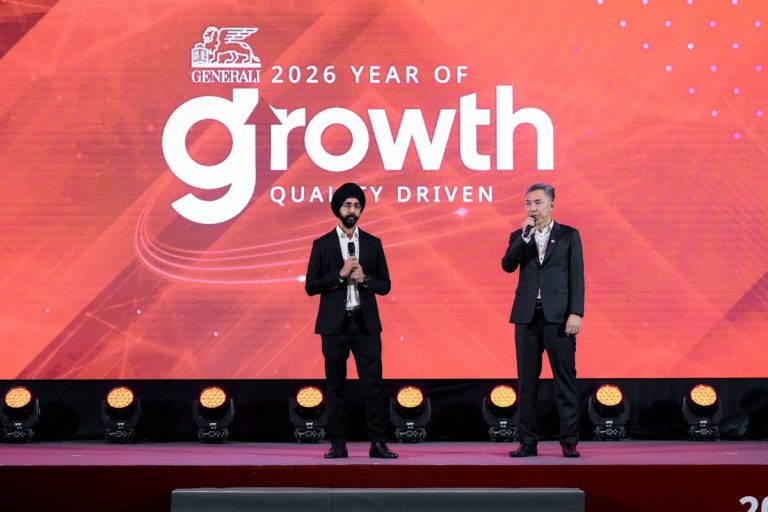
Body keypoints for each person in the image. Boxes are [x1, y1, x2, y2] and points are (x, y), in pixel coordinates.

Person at [305, 182, 398, 459]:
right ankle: (338, 444)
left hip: (366, 326)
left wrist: (364, 278)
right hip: (334, 326)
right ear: (338, 208)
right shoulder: (322, 244)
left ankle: (378, 444)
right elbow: (311, 286)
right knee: (335, 387)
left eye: (357, 206)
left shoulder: (372, 243)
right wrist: (340, 275)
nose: (352, 210)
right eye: (347, 205)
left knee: (374, 386)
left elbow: (385, 285)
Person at [501, 183, 584, 458]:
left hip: (559, 318)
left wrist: (576, 312)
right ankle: (527, 442)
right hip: (526, 317)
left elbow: (576, 276)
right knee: (527, 384)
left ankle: (569, 441)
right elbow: (507, 265)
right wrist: (523, 238)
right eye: (528, 203)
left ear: (551, 205)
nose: (532, 208)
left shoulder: (569, 235)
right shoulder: (519, 235)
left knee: (565, 381)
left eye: (537, 202)